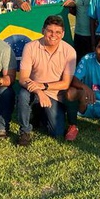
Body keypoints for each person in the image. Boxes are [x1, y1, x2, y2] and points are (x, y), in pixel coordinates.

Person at [16, 15, 77, 146]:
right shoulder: (30, 47)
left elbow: (66, 83)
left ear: (63, 34)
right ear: (43, 30)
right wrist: (39, 91)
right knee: (23, 94)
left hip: (55, 95)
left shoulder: (69, 51)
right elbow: (23, 78)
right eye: (50, 31)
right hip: (32, 90)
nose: (53, 35)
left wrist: (43, 86)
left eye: (58, 32)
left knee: (56, 132)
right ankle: (24, 132)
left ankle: (38, 115)